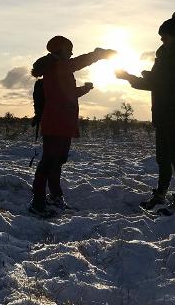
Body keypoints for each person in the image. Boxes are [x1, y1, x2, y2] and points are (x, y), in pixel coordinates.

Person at [116, 11, 175, 213]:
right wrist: (128, 77)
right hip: (162, 115)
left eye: (165, 35)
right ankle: (161, 195)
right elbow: (153, 83)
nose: (162, 39)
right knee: (162, 158)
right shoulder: (162, 57)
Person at [30, 35, 116, 217]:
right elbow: (81, 61)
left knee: (57, 162)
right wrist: (99, 54)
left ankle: (54, 197)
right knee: (48, 162)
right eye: (69, 49)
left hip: (62, 122)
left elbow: (67, 94)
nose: (71, 53)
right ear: (60, 50)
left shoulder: (59, 69)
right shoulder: (58, 65)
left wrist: (84, 89)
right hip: (56, 122)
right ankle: (37, 203)